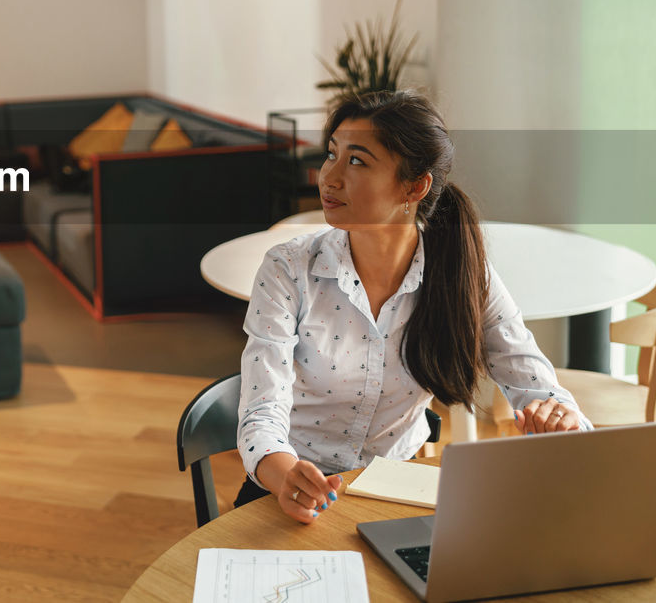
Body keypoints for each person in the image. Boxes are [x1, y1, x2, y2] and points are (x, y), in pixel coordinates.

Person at [237, 90, 592, 525]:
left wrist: (561, 415)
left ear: (414, 186)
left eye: (356, 161)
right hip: (286, 487)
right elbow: (261, 410)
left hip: (395, 493)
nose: (328, 177)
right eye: (332, 154)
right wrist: (284, 473)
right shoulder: (288, 269)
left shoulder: (462, 273)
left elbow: (537, 385)